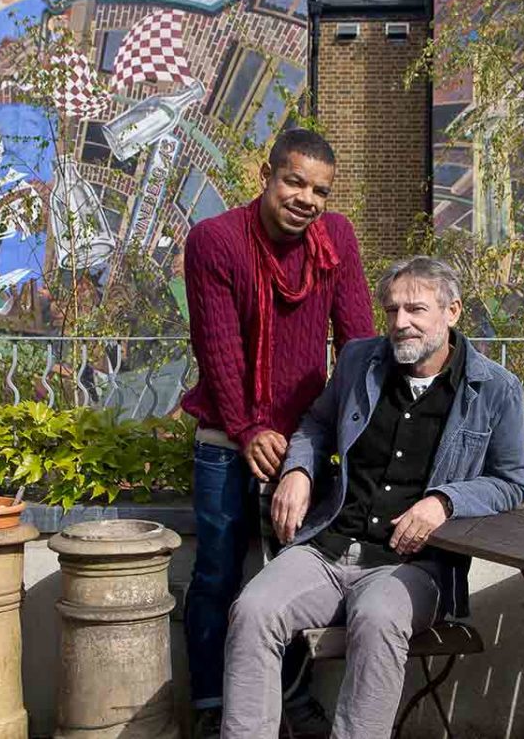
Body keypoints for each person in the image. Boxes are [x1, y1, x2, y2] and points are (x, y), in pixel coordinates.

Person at [222, 256, 524, 738]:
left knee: (378, 617)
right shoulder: (358, 361)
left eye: (416, 310)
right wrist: (300, 470)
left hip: (412, 566)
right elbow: (317, 424)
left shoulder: (494, 388)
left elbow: (511, 482)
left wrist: (444, 501)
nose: (400, 323)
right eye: (391, 311)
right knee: (254, 608)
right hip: (327, 547)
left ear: (452, 312)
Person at [181, 128, 375, 737]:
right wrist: (247, 429)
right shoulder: (215, 240)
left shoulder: (335, 238)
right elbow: (217, 349)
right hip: (226, 439)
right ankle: (214, 707)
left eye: (320, 190)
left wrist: (349, 432)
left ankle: (292, 700)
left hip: (304, 446)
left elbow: (359, 343)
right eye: (294, 182)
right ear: (266, 175)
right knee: (217, 574)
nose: (306, 199)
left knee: (292, 576)